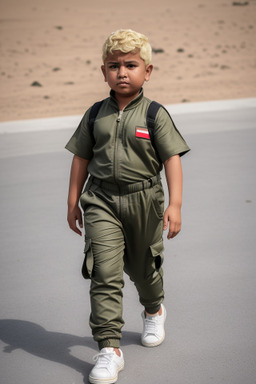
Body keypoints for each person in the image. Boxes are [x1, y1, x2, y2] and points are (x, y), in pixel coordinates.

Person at [65, 29, 190, 384]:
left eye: (131, 65)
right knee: (104, 272)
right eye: (114, 66)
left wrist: (175, 204)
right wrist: (73, 202)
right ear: (103, 71)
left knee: (144, 266)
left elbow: (172, 160)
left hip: (144, 201)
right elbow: (80, 158)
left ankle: (154, 309)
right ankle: (109, 348)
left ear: (147, 71)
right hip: (100, 199)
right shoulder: (95, 115)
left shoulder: (155, 114)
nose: (122, 72)